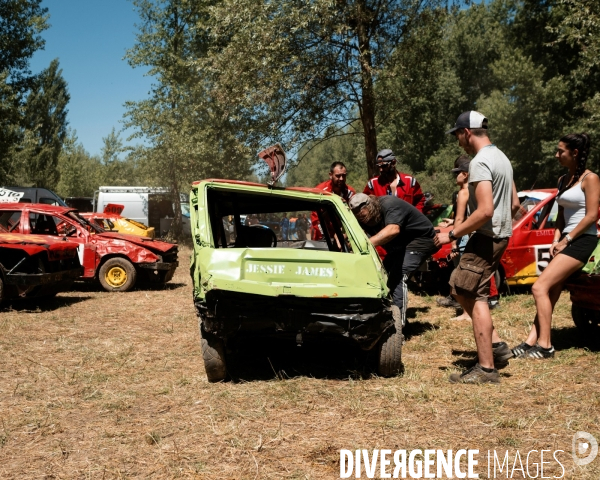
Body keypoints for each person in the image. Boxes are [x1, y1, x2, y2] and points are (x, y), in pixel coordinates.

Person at [435, 110, 520, 384]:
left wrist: (453, 233)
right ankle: (495, 347)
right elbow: (515, 204)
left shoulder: (480, 162)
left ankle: (486, 368)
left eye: (458, 134)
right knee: (461, 286)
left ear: (466, 132)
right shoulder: (501, 157)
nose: (458, 140)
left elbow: (484, 211)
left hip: (486, 236)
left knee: (473, 292)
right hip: (497, 235)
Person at [512, 133, 599, 359]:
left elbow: (591, 216)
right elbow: (560, 216)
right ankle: (531, 340)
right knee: (550, 290)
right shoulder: (563, 180)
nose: (556, 155)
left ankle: (546, 345)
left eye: (561, 151)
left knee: (538, 287)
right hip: (564, 241)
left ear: (575, 153)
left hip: (582, 240)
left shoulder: (590, 179)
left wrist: (566, 241)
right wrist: (554, 240)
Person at [349, 193, 440, 328]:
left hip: (421, 239)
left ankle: (397, 328)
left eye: (363, 215)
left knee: (398, 277)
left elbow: (393, 230)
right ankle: (388, 317)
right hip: (401, 245)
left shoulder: (389, 204)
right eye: (358, 217)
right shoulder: (361, 217)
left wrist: (363, 245)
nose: (363, 219)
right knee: (382, 276)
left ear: (370, 205)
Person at [436, 155, 501, 314]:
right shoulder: (477, 189)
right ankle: (481, 304)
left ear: (465, 174)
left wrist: (453, 241)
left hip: (462, 236)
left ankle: (466, 312)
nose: (455, 176)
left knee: (463, 274)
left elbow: (459, 218)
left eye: (456, 173)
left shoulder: (463, 192)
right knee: (474, 273)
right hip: (474, 233)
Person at [311, 162, 356, 240]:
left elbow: (354, 216)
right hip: (323, 236)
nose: (341, 179)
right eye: (338, 176)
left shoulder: (350, 192)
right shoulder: (320, 191)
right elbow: (316, 218)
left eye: (344, 175)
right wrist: (325, 236)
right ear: (330, 175)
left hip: (344, 235)